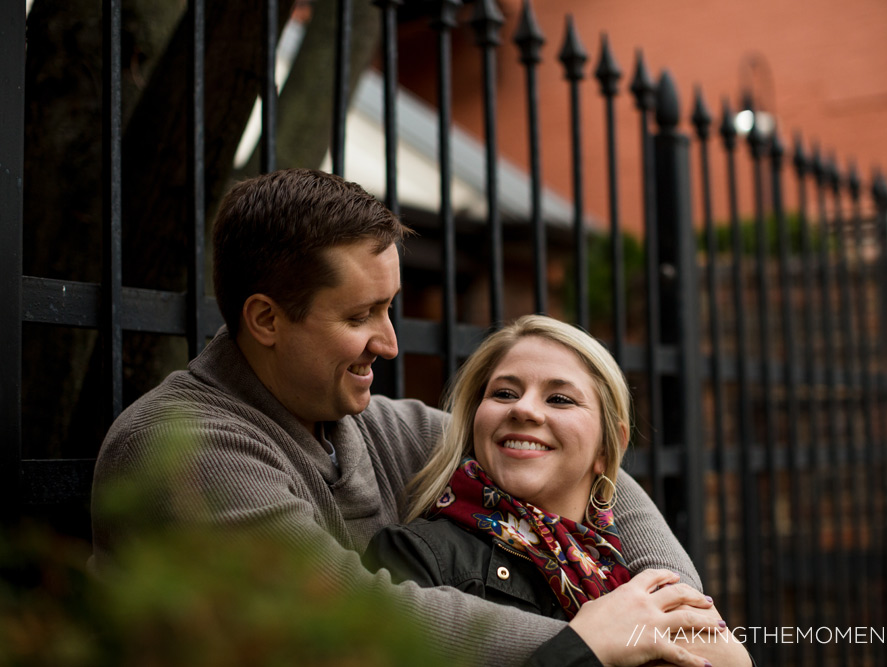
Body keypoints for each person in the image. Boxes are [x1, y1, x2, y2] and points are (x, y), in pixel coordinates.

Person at [91, 169, 718, 667]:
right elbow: (351, 618)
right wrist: (588, 642)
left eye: (389, 308)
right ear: (266, 320)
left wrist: (673, 613)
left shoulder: (368, 425)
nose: (389, 342)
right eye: (361, 316)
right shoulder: (186, 449)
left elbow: (580, 462)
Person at [366, 315, 752, 666]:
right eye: (504, 393)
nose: (525, 410)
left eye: (560, 399)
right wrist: (584, 649)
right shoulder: (414, 556)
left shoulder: (632, 575)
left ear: (607, 448)